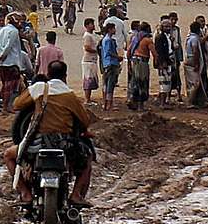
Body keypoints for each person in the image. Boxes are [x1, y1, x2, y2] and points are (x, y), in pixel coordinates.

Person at [9, 58, 97, 208]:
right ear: (65, 76)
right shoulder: (70, 95)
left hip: (37, 143)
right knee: (87, 158)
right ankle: (76, 195)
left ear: (48, 75)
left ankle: (25, 194)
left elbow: (16, 105)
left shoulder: (39, 88)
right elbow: (85, 120)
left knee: (8, 155)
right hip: (65, 145)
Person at [127, 20, 153, 110]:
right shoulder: (147, 40)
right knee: (143, 83)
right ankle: (140, 106)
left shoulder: (135, 38)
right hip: (143, 62)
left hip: (134, 61)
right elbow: (154, 53)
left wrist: (129, 63)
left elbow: (129, 51)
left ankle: (133, 101)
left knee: (135, 82)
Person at [98, 19, 123, 111]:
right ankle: (109, 104)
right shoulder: (108, 40)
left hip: (107, 64)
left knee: (106, 84)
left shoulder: (105, 40)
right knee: (110, 84)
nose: (115, 30)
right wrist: (118, 57)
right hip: (111, 63)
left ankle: (106, 103)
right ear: (109, 29)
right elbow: (108, 52)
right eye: (113, 29)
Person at [182, 18, 206, 106]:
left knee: (192, 82)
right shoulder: (194, 39)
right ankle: (190, 102)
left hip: (188, 60)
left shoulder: (189, 37)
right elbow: (195, 51)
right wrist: (196, 64)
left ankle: (199, 101)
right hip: (192, 61)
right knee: (196, 83)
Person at [81, 18, 100, 102]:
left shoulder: (92, 35)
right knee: (88, 80)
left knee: (91, 80)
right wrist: (97, 51)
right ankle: (87, 99)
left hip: (92, 60)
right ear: (87, 26)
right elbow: (87, 47)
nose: (93, 25)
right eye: (91, 24)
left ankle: (88, 98)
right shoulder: (87, 36)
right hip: (88, 60)